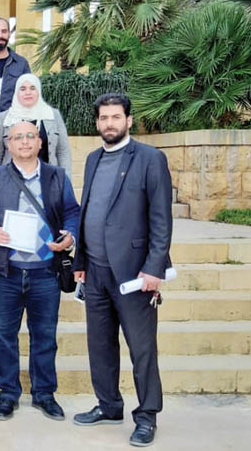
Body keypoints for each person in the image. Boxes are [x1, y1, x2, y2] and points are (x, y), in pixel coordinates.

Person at [71, 93, 173, 447]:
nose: (109, 123)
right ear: (97, 123)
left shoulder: (150, 159)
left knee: (141, 348)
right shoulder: (92, 159)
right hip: (96, 271)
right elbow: (87, 213)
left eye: (116, 117)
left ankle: (146, 416)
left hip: (134, 274)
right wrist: (80, 263)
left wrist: (154, 268)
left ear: (129, 120)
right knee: (99, 345)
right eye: (104, 118)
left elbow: (161, 218)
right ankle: (109, 404)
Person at [0, 121, 80, 422]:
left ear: (40, 142)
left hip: (45, 271)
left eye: (30, 136)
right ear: (8, 144)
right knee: (4, 335)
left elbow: (72, 212)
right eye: (17, 137)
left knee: (45, 336)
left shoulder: (57, 176)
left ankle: (44, 394)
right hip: (6, 271)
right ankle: (8, 394)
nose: (24, 142)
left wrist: (71, 236)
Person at [0, 74, 72, 175]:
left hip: (49, 179)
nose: (28, 92)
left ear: (38, 91)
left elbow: (63, 151)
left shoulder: (52, 115)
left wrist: (65, 180)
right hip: (11, 179)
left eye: (32, 88)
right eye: (22, 89)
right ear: (16, 92)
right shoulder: (4, 118)